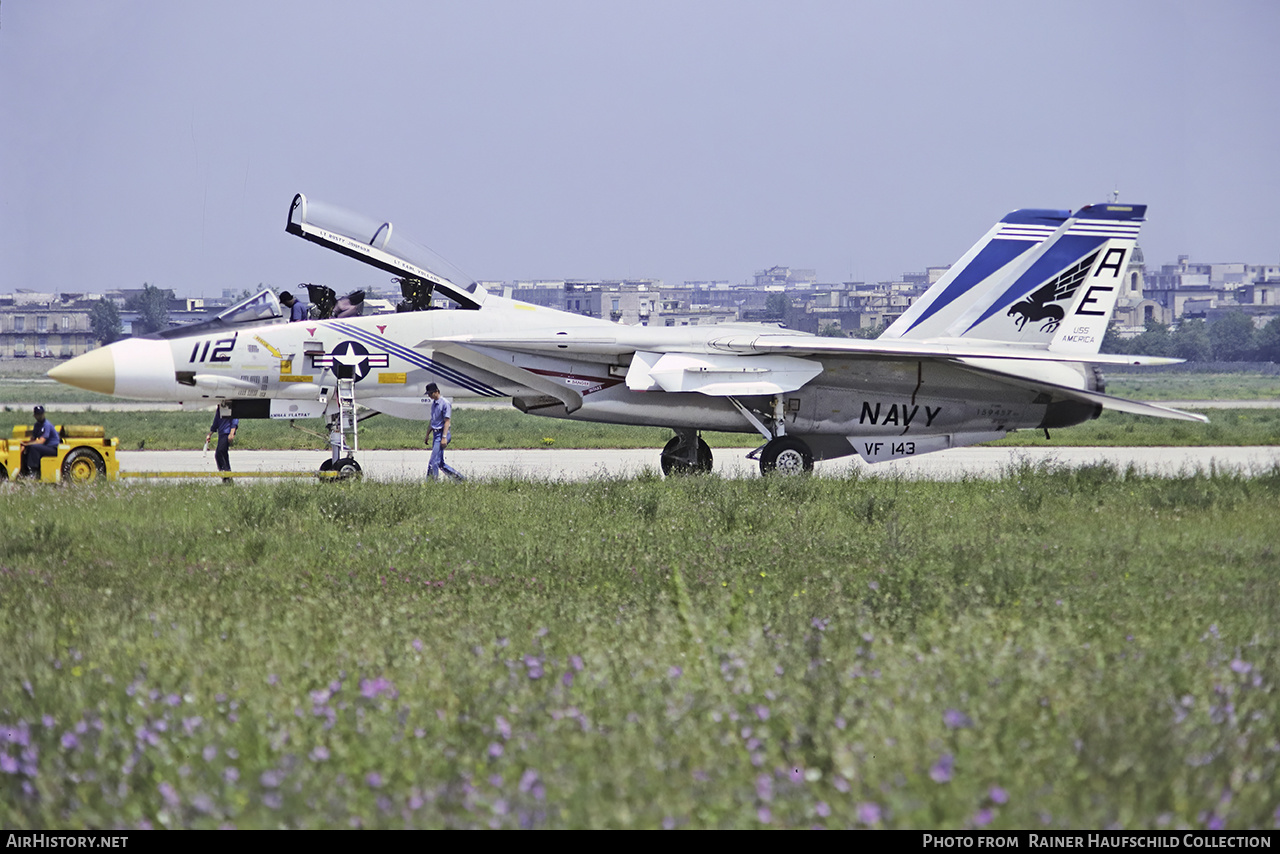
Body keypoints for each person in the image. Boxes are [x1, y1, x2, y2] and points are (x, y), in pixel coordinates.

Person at [424, 382, 464, 481]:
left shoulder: (445, 403)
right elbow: (433, 420)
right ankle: (460, 479)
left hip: (442, 434)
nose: (429, 396)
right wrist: (427, 434)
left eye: (430, 393)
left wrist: (444, 437)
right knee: (440, 463)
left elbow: (447, 421)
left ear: (436, 391)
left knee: (433, 461)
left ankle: (431, 482)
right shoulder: (434, 404)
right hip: (435, 433)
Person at [18, 405, 59, 478]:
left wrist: (27, 444)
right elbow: (33, 439)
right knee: (29, 448)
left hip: (53, 448)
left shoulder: (47, 425)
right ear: (34, 415)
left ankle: (33, 472)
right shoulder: (37, 425)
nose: (40, 416)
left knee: (34, 448)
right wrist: (24, 445)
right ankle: (24, 470)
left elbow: (41, 441)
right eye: (38, 414)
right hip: (45, 447)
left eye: (41, 414)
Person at [206, 409, 239, 484]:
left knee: (219, 453)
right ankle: (227, 477)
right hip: (221, 433)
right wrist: (210, 434)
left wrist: (232, 432)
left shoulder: (230, 405)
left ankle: (226, 475)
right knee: (223, 454)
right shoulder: (220, 408)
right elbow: (216, 421)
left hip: (227, 433)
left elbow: (235, 418)